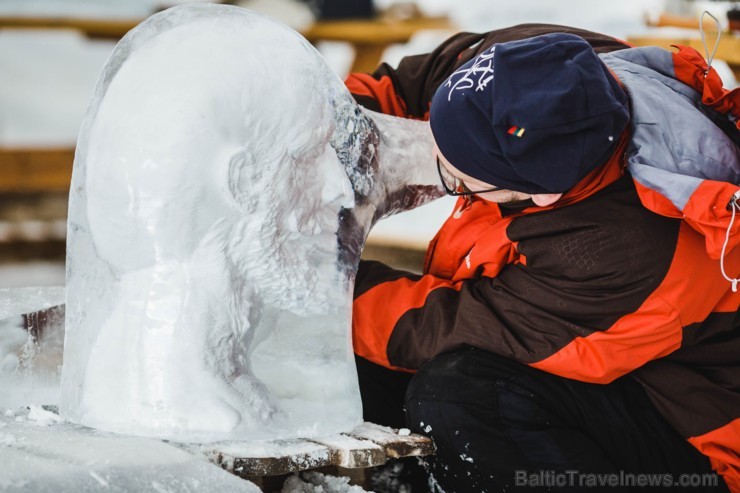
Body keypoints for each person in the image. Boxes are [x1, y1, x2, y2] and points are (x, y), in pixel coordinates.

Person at [345, 24, 740, 492]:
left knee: (460, 397)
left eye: (456, 177)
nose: (437, 159)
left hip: (691, 429)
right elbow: (423, 78)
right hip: (592, 353)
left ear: (544, 195)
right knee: (358, 362)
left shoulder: (626, 248)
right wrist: (319, 128)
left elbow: (448, 327)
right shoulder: (536, 66)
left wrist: (317, 295)